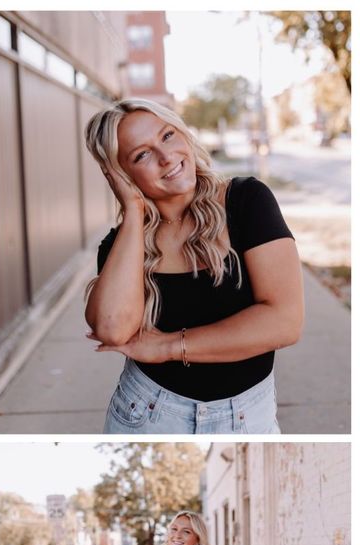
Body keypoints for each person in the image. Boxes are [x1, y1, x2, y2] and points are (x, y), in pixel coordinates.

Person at [84, 99, 304, 435]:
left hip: (249, 417)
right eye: (141, 155)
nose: (166, 157)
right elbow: (113, 330)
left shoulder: (246, 201)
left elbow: (285, 322)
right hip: (146, 416)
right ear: (120, 175)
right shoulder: (121, 246)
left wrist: (169, 346)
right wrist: (132, 211)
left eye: (168, 136)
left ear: (184, 134)